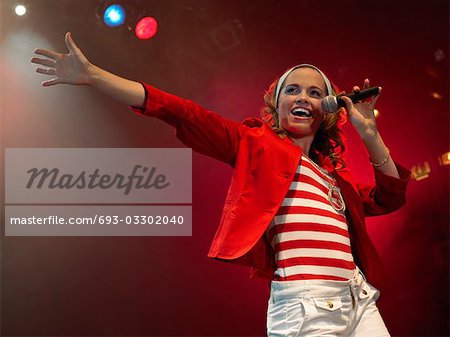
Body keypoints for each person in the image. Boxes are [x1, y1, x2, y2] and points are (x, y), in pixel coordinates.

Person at [31, 32, 410, 336]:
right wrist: (95, 76)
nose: (303, 97)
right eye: (292, 90)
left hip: (359, 300)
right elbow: (182, 112)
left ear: (327, 110)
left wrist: (370, 133)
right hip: (306, 306)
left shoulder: (332, 177)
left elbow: (390, 197)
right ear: (276, 104)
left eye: (315, 93)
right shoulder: (254, 143)